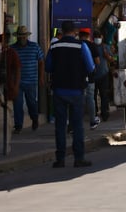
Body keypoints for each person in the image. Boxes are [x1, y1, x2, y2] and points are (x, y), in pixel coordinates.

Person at [45, 20, 95, 168]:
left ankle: (60, 159)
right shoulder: (81, 46)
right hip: (76, 90)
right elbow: (91, 67)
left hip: (59, 90)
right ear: (74, 31)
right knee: (77, 125)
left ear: (61, 31)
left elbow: (48, 67)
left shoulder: (54, 46)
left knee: (60, 126)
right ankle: (78, 158)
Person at [11, 24, 43, 134]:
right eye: (20, 36)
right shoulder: (13, 48)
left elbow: (41, 62)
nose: (22, 38)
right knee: (18, 104)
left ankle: (34, 119)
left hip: (31, 80)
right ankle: (18, 125)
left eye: (24, 36)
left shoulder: (35, 47)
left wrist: (41, 77)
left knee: (32, 103)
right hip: (17, 82)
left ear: (27, 36)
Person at [78, 29, 100, 129]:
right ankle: (92, 121)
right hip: (90, 76)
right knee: (90, 98)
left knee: (79, 99)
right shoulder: (92, 45)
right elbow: (97, 61)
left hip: (77, 76)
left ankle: (77, 123)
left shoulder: (76, 45)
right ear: (88, 35)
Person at [90, 29, 113, 122]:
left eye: (99, 37)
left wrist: (107, 55)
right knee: (93, 95)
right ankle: (94, 113)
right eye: (96, 37)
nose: (97, 39)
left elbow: (112, 59)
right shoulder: (91, 47)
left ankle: (105, 114)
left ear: (102, 37)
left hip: (104, 74)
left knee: (104, 95)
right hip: (93, 74)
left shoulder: (106, 47)